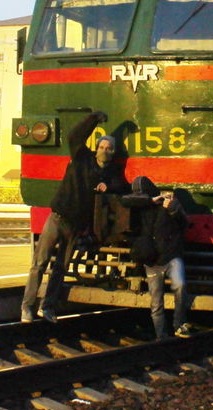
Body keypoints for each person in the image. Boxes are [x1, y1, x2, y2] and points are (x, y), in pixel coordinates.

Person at [21, 110, 128, 323]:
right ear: (96, 148)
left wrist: (108, 187)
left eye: (109, 148)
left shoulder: (111, 174)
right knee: (39, 263)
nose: (104, 151)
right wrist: (93, 119)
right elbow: (74, 136)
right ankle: (27, 307)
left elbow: (123, 186)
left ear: (113, 152)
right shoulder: (82, 158)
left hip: (75, 226)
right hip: (57, 218)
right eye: (102, 147)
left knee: (60, 268)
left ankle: (47, 306)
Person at [122, 175, 193, 340]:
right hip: (153, 259)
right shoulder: (140, 207)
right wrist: (149, 200)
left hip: (170, 255)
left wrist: (174, 209)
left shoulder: (169, 203)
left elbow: (185, 223)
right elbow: (125, 200)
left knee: (179, 286)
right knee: (156, 302)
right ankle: (161, 336)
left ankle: (179, 325)